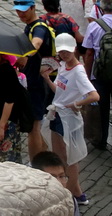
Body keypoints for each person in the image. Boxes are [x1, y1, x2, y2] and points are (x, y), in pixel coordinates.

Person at [40, 34, 98, 207]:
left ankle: (75, 192)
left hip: (68, 119)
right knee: (60, 156)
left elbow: (94, 95)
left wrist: (76, 104)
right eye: (61, 51)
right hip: (57, 114)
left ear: (73, 48)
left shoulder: (78, 71)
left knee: (70, 159)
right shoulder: (63, 66)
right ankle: (70, 191)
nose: (64, 54)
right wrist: (46, 78)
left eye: (67, 51)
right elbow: (59, 90)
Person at [13, 0, 55, 159]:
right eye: (18, 10)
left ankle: (35, 165)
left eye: (24, 10)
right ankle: (45, 158)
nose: (21, 14)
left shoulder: (38, 28)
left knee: (33, 127)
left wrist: (24, 55)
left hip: (37, 85)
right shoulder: (29, 26)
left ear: (33, 7)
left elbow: (36, 43)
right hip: (33, 81)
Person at [81, 0, 112, 151]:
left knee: (102, 108)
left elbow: (89, 54)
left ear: (101, 8)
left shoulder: (95, 26)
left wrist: (86, 76)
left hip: (100, 74)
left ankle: (100, 140)